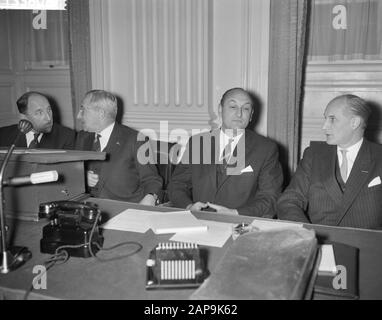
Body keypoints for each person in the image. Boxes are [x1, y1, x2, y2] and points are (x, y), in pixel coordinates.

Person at [168, 87, 283, 217]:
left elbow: (270, 198)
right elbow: (176, 185)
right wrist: (189, 207)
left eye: (246, 108)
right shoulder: (197, 143)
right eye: (233, 107)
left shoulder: (266, 149)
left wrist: (235, 214)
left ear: (251, 115)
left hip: (241, 225)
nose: (239, 114)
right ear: (220, 110)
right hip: (198, 223)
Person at [277, 94, 382, 229]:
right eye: (325, 119)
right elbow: (288, 201)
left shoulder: (378, 156)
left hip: (367, 247)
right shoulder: (314, 154)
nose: (324, 126)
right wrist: (308, 233)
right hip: (320, 242)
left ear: (354, 123)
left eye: (332, 119)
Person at [75, 89, 162, 205]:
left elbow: (152, 180)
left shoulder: (136, 139)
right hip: (89, 211)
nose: (78, 116)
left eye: (83, 109)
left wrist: (150, 197)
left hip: (125, 211)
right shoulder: (82, 138)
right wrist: (82, 177)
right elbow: (70, 174)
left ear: (100, 113)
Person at [0, 91, 75, 149]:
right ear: (24, 117)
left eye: (49, 110)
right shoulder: (3, 135)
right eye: (39, 112)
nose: (48, 118)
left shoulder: (66, 136)